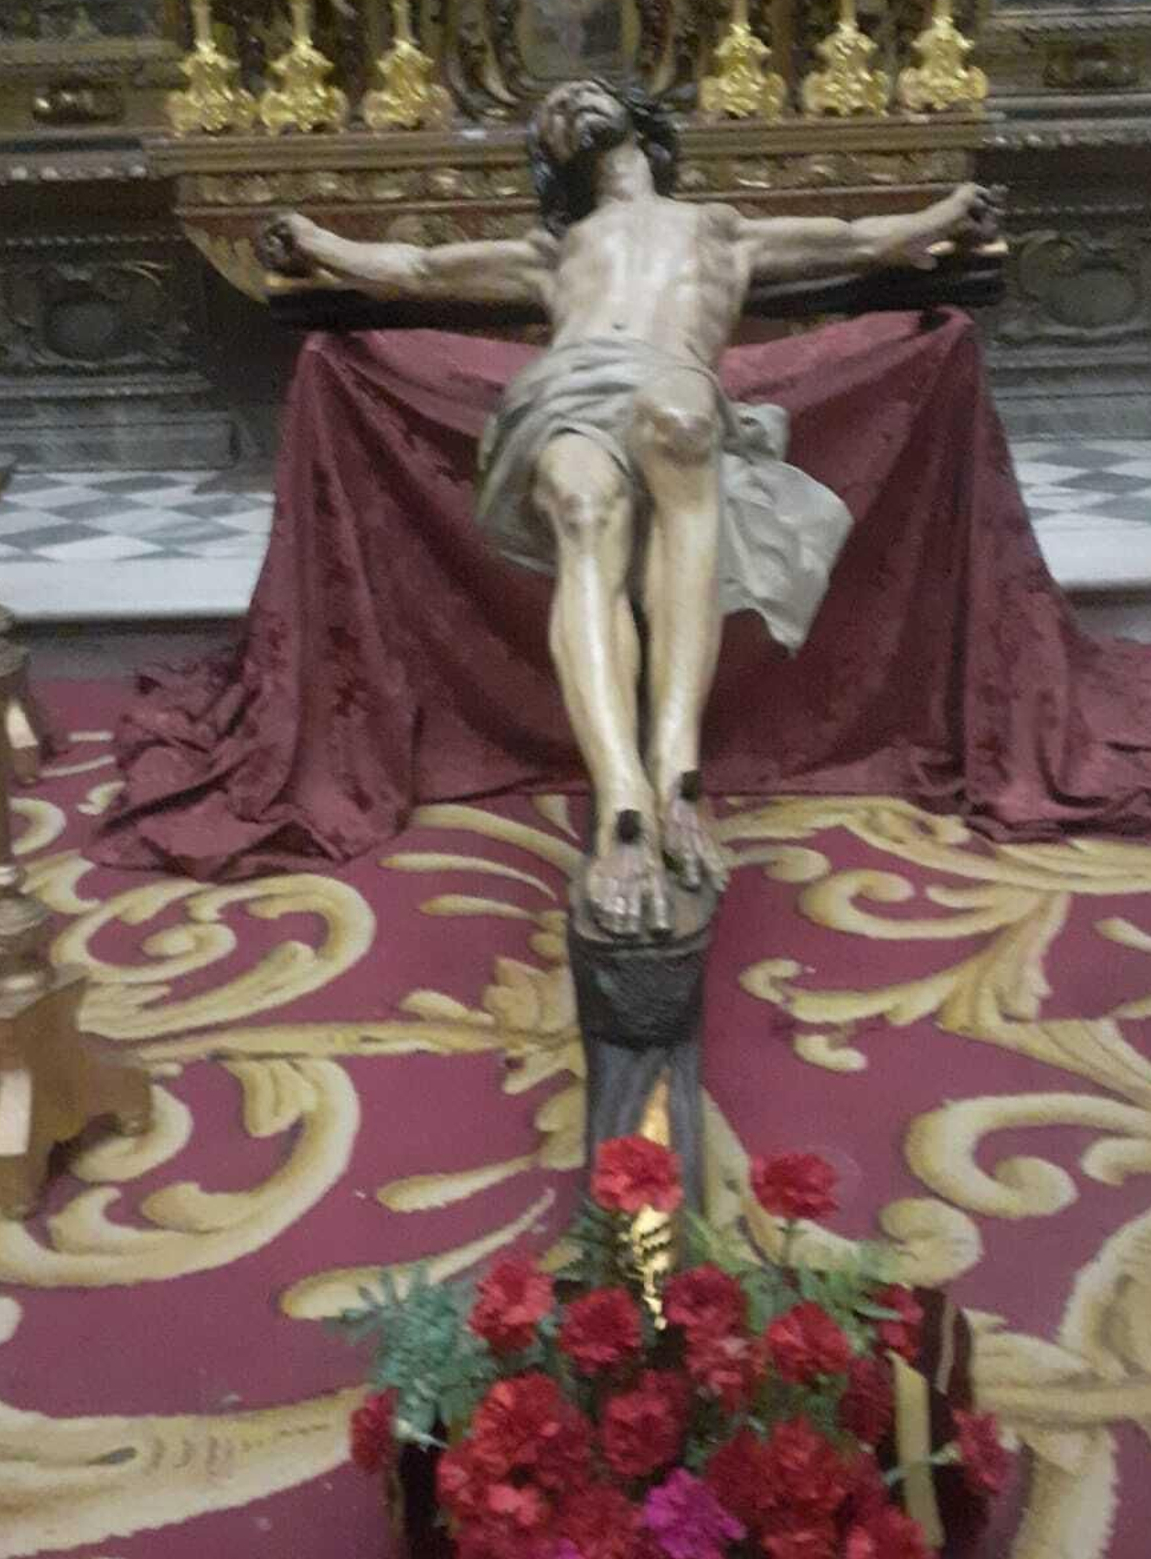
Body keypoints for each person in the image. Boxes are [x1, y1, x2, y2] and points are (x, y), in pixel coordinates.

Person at [261, 78, 1000, 936]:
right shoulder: (556, 250)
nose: (569, 103)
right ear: (553, 158)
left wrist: (951, 210)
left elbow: (860, 239)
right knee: (579, 504)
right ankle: (624, 805)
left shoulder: (719, 230)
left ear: (642, 123)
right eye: (553, 110)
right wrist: (313, 239)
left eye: (587, 93)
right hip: (569, 391)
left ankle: (678, 771)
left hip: (671, 379)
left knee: (681, 423)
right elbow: (415, 269)